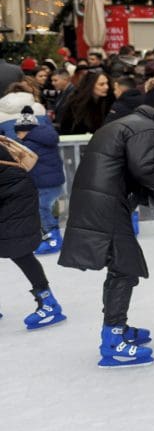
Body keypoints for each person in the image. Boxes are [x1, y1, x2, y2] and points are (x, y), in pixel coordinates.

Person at [59, 91, 154, 367]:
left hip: (99, 199)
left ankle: (117, 329)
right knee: (125, 267)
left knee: (121, 265)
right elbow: (144, 167)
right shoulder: (146, 127)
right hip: (107, 204)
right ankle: (113, 340)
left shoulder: (126, 123)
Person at [0, 133, 68, 328]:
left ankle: (48, 303)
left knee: (19, 251)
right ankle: (47, 300)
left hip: (14, 199)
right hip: (14, 193)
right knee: (19, 251)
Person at [1, 106, 66, 254]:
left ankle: (52, 240)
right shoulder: (46, 140)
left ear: (27, 130)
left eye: (19, 131)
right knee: (46, 210)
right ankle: (52, 237)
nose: (17, 135)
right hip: (54, 184)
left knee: (42, 210)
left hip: (44, 185)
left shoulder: (29, 145)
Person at [58, 71, 115, 135]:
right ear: (90, 85)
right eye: (101, 84)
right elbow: (66, 128)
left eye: (107, 83)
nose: (106, 87)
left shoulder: (109, 101)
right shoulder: (75, 104)